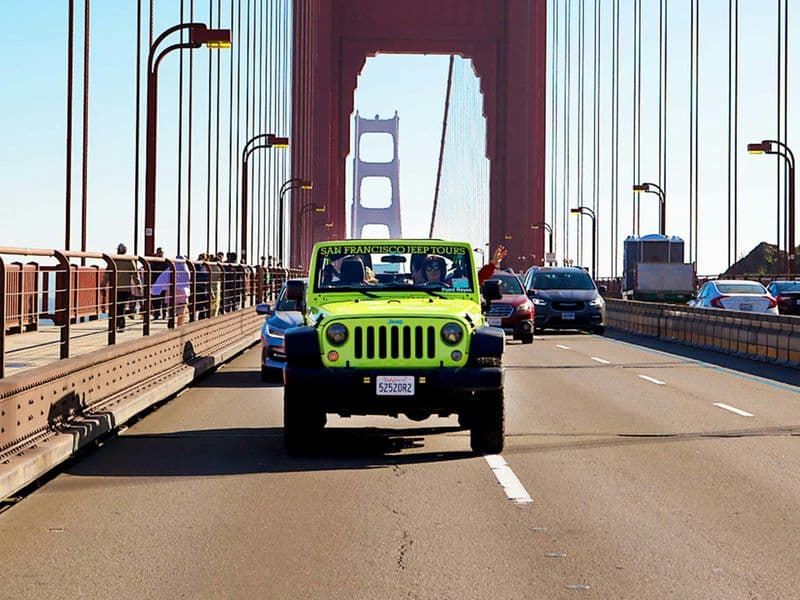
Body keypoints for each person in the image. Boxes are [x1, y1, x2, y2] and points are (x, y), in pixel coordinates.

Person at [103, 243, 143, 331]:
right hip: (126, 288)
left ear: (117, 250)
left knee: (115, 307)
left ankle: (117, 324)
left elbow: (107, 274)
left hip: (114, 289)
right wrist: (139, 285)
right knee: (121, 307)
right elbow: (135, 274)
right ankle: (121, 324)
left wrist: (103, 285)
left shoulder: (113, 260)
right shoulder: (129, 261)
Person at [152, 256, 191, 326]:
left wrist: (155, 289)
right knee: (182, 307)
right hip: (183, 291)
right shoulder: (186, 270)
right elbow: (188, 280)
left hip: (171, 290)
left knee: (171, 306)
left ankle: (171, 322)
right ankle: (180, 324)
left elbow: (162, 279)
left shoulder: (170, 269)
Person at [150, 247, 168, 320]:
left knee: (163, 300)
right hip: (156, 283)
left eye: (161, 252)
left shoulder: (165, 263)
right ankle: (157, 314)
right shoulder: (165, 263)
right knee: (156, 300)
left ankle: (162, 314)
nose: (160, 254)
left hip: (162, 284)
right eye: (159, 252)